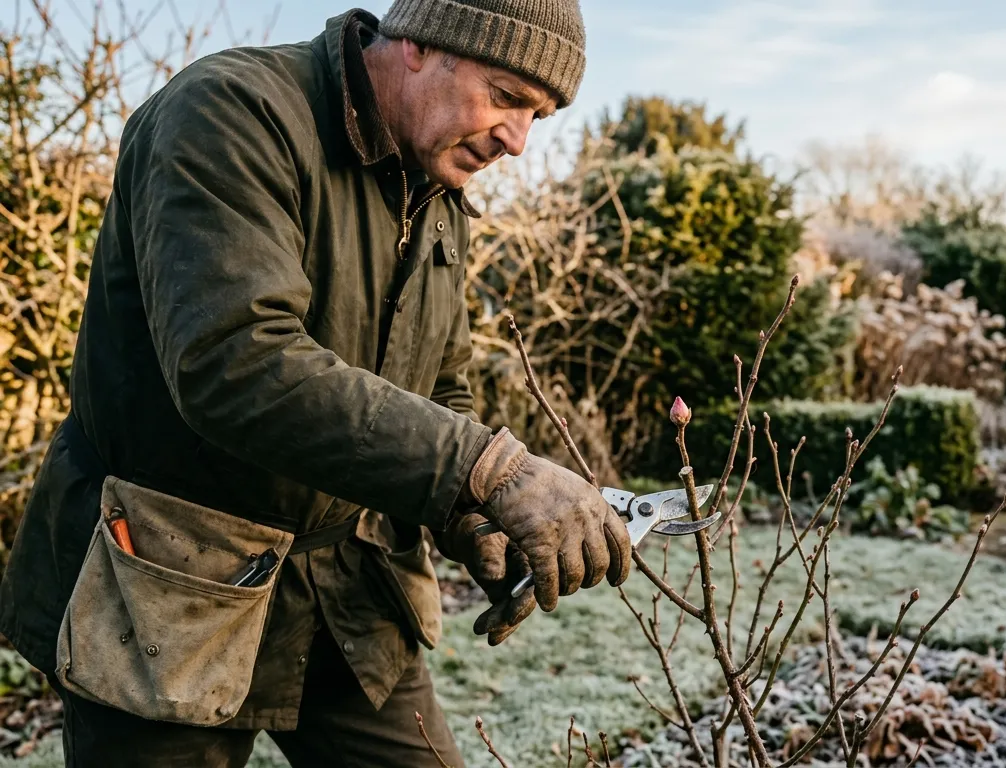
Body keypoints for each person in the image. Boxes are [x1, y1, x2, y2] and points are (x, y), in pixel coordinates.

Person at [0, 1, 627, 765]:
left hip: (346, 586)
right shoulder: (231, 114)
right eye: (506, 97)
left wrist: (468, 513)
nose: (518, 140)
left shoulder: (435, 193)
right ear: (421, 45)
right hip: (167, 584)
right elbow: (236, 363)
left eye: (539, 116)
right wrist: (490, 470)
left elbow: (440, 383)